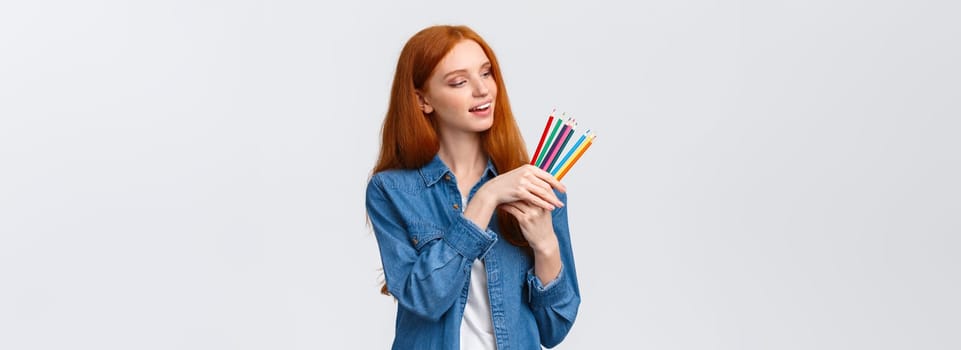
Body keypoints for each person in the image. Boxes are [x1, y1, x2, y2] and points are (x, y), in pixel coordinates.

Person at [365, 24, 581, 349]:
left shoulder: (531, 184)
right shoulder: (391, 190)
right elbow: (425, 300)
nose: (483, 90)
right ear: (423, 100)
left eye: (486, 74)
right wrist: (485, 198)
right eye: (459, 82)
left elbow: (554, 331)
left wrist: (546, 245)